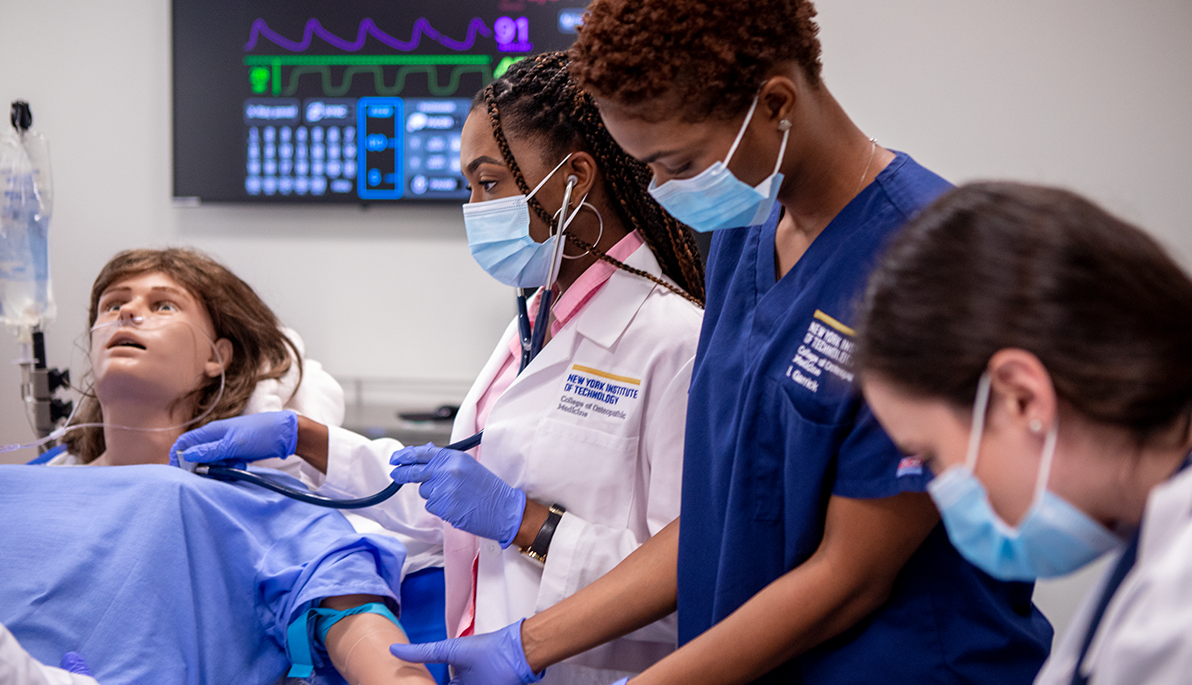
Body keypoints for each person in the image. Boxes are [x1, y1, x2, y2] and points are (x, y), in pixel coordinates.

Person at [384, 2, 1053, 684]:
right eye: (646, 165)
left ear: (777, 103)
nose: (661, 191)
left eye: (677, 161)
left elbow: (850, 577)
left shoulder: (929, 263)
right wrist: (527, 643)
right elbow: (713, 517)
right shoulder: (748, 233)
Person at [171, 52, 706, 684]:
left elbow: (691, 571)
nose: (474, 208)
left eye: (488, 183)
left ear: (572, 180)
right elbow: (453, 514)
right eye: (469, 187)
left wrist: (526, 522)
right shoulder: (535, 325)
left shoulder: (673, 340)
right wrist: (305, 440)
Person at [1, 247, 435, 685]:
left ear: (218, 357)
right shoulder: (24, 487)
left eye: (162, 305)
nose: (128, 313)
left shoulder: (255, 505)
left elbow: (383, 658)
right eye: (113, 304)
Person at [855, 182, 1192, 685]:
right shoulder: (1156, 536)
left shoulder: (1179, 606)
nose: (940, 487)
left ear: (1020, 398)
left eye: (931, 455)